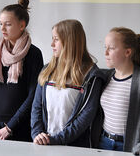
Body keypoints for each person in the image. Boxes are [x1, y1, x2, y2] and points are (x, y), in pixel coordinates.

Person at [95, 27, 140, 155]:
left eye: (111, 48)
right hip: (103, 143)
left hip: (130, 147)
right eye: (105, 47)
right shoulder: (106, 77)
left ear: (127, 52)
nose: (106, 53)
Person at [31, 19, 105, 147]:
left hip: (75, 148)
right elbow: (36, 107)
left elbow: (85, 118)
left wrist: (56, 140)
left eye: (56, 39)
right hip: (44, 143)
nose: (51, 44)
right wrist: (37, 133)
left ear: (70, 42)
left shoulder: (92, 76)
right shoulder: (47, 70)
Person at [0, 0, 43, 142]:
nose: (2, 28)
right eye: (0, 24)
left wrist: (10, 127)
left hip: (21, 128)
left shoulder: (34, 54)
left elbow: (33, 95)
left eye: (8, 24)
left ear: (22, 25)